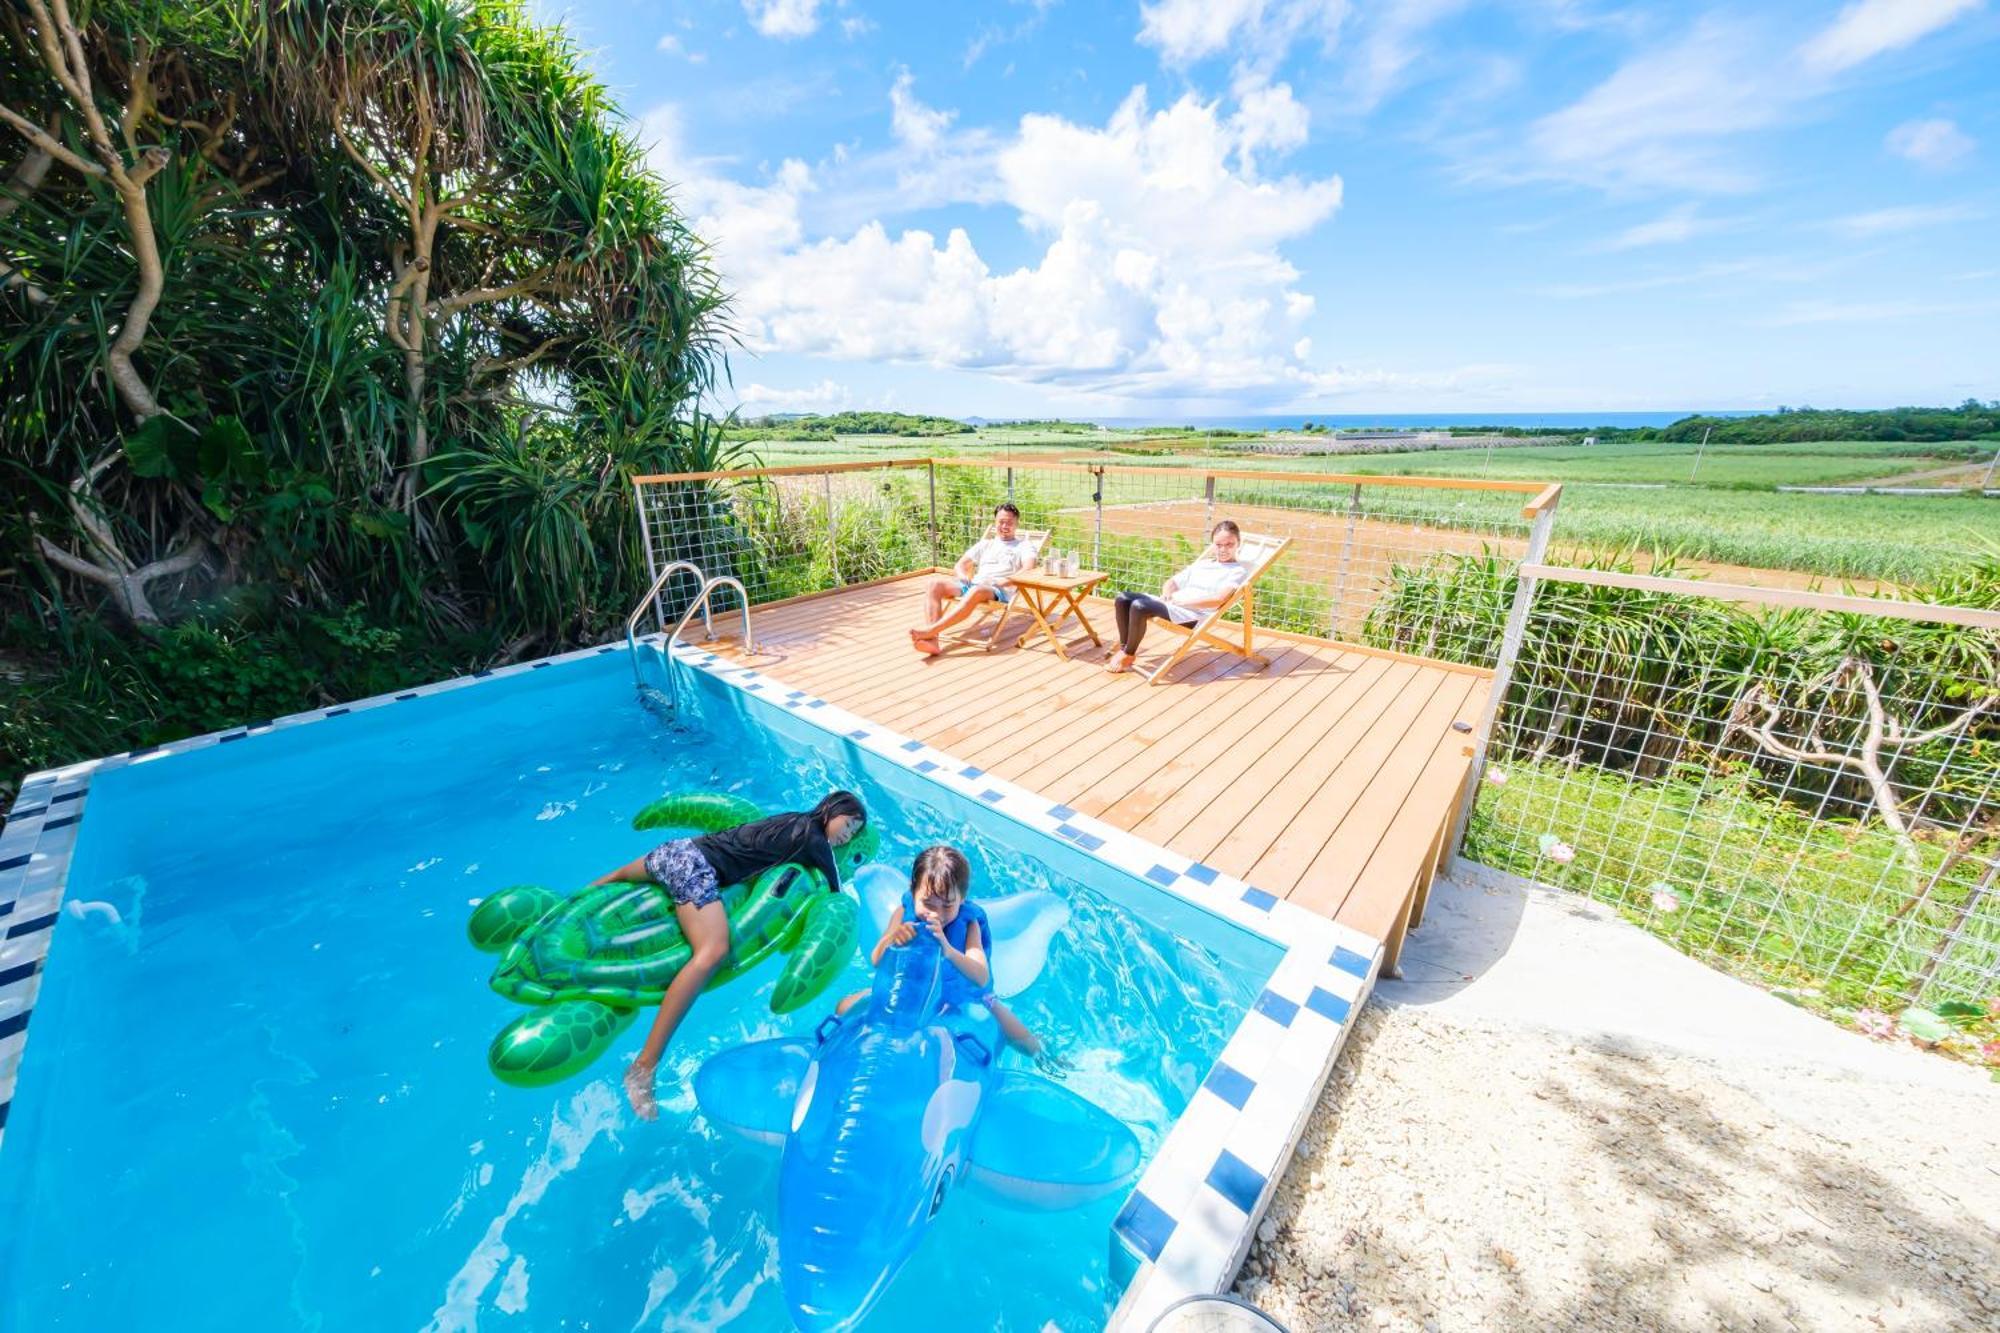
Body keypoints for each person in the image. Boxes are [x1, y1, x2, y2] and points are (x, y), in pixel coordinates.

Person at [593, 790, 868, 1119]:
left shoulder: (789, 820)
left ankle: (552, 914)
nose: (847, 836)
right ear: (830, 809)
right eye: (848, 825)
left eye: (853, 834)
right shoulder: (814, 838)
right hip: (693, 867)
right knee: (712, 953)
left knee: (617, 876)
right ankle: (644, 1067)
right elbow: (834, 891)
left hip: (678, 850)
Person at [837, 845, 1066, 1074]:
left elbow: (980, 974)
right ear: (913, 891)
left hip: (964, 996)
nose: (936, 913)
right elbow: (877, 960)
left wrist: (947, 949)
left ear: (962, 900)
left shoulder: (969, 924)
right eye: (927, 903)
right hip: (913, 988)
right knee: (844, 1006)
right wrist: (893, 940)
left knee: (1016, 1034)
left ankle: (1043, 1051)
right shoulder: (902, 913)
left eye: (948, 905)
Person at [1104, 519, 1249, 674]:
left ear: (1238, 544)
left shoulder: (1237, 571)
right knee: (1123, 598)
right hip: (1174, 604)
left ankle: (1128, 654)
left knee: (1139, 606)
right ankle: (1124, 647)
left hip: (1191, 615)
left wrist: (1185, 602)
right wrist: (1167, 594)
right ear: (1212, 544)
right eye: (1218, 544)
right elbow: (1172, 582)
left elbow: (1219, 600)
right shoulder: (1203, 564)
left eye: (1229, 544)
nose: (1223, 549)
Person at [909, 502, 1037, 656]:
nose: (1004, 526)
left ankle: (930, 632)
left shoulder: (1024, 545)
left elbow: (1028, 569)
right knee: (933, 584)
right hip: (974, 585)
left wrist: (1007, 581)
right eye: (1001, 522)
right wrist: (963, 576)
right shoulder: (986, 544)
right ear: (995, 522)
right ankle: (933, 642)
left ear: (1017, 524)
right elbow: (960, 564)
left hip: (999, 590)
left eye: (1009, 523)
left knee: (976, 590)